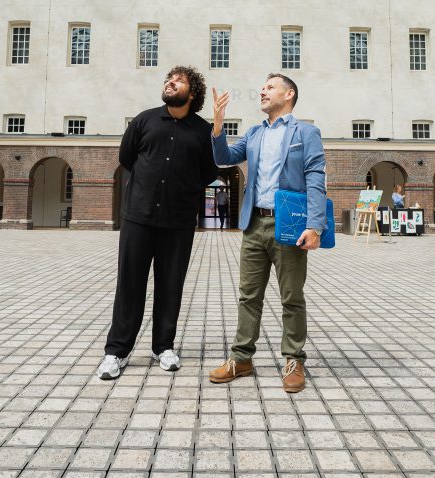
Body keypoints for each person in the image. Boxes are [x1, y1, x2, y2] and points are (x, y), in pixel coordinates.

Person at [97, 67, 219, 380]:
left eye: (178, 80)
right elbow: (127, 158)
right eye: (169, 79)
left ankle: (163, 347)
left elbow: (208, 173)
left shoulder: (202, 131)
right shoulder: (144, 120)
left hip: (178, 222)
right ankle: (116, 351)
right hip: (138, 217)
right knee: (130, 285)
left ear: (192, 94)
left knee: (171, 286)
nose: (170, 82)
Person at [207, 74, 326, 394]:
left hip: (289, 226)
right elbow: (224, 159)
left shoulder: (306, 132)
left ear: (289, 94)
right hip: (254, 225)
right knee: (249, 295)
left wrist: (315, 226)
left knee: (291, 296)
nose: (262, 90)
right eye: (261, 87)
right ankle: (241, 358)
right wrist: (217, 127)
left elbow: (315, 177)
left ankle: (294, 359)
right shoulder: (255, 133)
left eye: (270, 87)